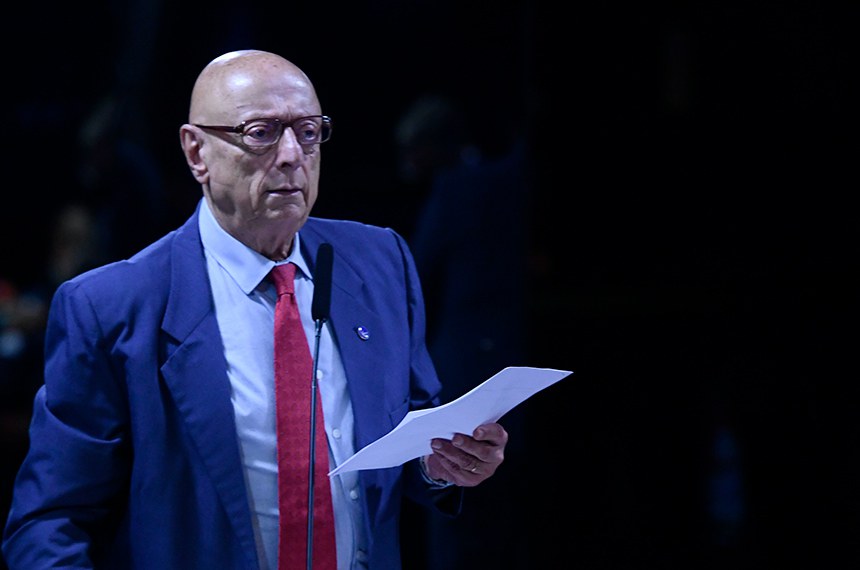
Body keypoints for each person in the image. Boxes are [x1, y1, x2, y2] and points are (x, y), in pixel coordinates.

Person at [2, 49, 509, 570]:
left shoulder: (380, 261)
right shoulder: (112, 305)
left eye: (308, 132)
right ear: (196, 152)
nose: (291, 155)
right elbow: (49, 522)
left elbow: (412, 428)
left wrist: (444, 462)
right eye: (261, 133)